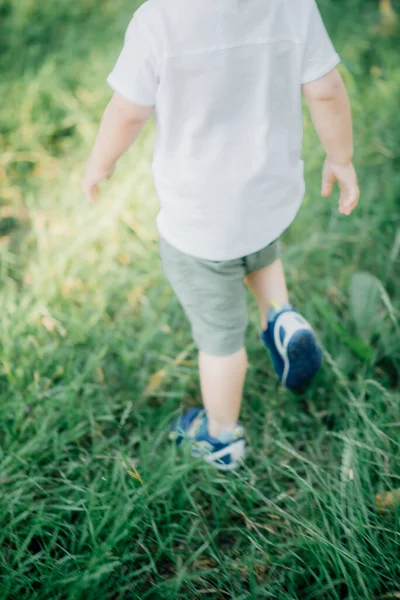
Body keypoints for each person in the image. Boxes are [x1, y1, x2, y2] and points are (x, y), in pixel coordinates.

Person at [82, 0, 360, 471]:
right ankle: (281, 318)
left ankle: (221, 437)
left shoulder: (159, 20)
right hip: (267, 193)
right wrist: (341, 158)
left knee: (220, 339)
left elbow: (129, 111)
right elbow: (327, 89)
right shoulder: (292, 7)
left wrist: (100, 163)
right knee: (259, 252)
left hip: (200, 218)